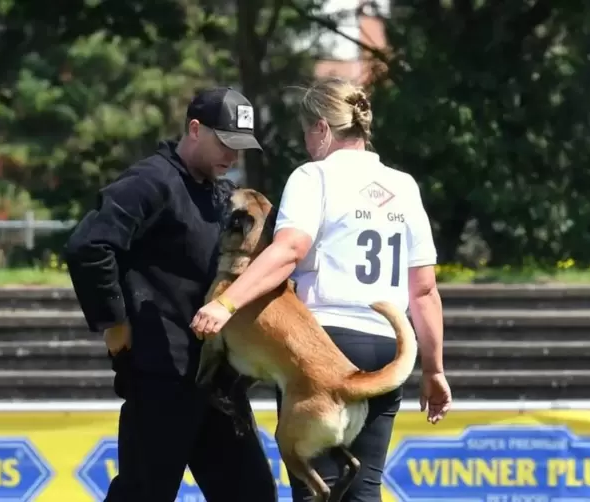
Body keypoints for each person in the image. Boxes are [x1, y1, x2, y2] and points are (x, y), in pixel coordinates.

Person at [190, 77, 452, 502]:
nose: (307, 142)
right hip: (386, 346)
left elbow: (290, 250)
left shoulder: (313, 176)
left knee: (316, 491)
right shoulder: (404, 186)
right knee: (363, 490)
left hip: (321, 345)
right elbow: (423, 291)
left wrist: (226, 302)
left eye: (306, 131)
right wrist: (434, 369)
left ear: (323, 129)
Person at [64, 87, 277, 502]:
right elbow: (88, 246)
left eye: (240, 148)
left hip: (217, 379)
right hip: (162, 375)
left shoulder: (220, 193)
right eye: (225, 143)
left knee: (252, 494)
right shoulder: (150, 181)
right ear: (195, 129)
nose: (232, 157)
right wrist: (115, 325)